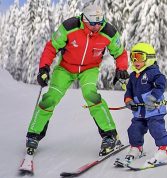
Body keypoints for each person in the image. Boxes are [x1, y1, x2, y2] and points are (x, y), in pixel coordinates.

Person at [24, 4, 129, 159]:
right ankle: (34, 134)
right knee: (50, 98)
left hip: (89, 69)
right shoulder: (69, 27)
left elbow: (120, 53)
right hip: (65, 68)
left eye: (100, 22)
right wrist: (44, 68)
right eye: (93, 23)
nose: (97, 26)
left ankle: (110, 135)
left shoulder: (109, 32)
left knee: (91, 95)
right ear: (84, 19)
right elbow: (52, 47)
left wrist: (122, 68)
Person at [123, 42, 167, 165]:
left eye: (140, 57)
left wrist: (153, 98)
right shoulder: (133, 76)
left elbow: (161, 84)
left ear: (149, 58)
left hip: (154, 110)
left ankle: (165, 149)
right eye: (133, 57)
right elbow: (129, 91)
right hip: (139, 112)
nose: (136, 60)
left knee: (156, 128)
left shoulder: (152, 72)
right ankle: (137, 148)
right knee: (134, 129)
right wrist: (128, 101)